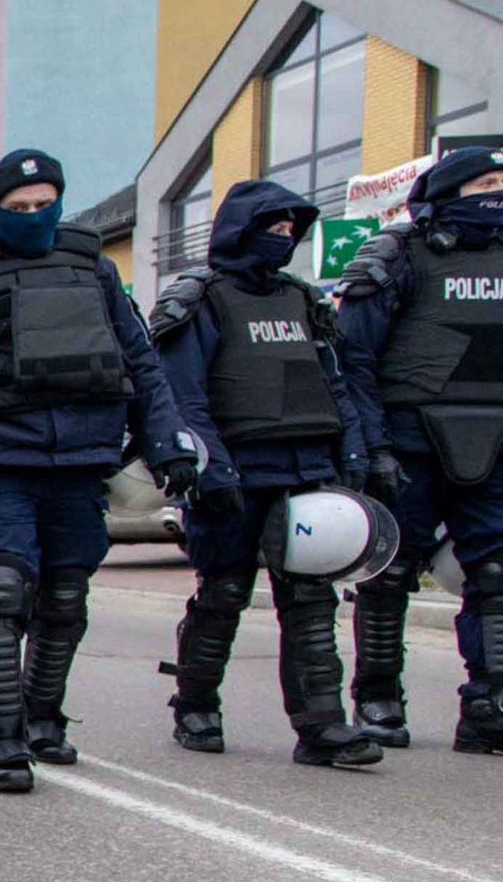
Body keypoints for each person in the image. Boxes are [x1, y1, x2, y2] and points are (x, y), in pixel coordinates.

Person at [0, 150, 198, 791]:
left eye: (45, 205)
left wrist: (168, 443)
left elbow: (142, 365)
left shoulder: (92, 268)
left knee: (65, 600)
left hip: (81, 462)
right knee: (0, 595)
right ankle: (2, 741)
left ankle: (43, 719)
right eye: (19, 208)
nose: (34, 217)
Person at [151, 178, 385, 766]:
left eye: (289, 231)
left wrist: (354, 454)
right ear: (240, 230)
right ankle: (196, 706)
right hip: (231, 474)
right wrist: (211, 468)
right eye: (270, 228)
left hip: (304, 471)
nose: (281, 240)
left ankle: (321, 727)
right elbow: (182, 394)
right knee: (224, 593)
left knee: (310, 599)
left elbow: (335, 384)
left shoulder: (303, 300)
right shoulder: (199, 298)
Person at [335, 146, 503, 754]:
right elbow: (353, 361)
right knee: (389, 572)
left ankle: (490, 705)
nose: (498, 194)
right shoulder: (397, 255)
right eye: (487, 183)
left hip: (495, 443)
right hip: (408, 443)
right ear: (452, 191)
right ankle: (378, 697)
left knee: (496, 575)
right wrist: (369, 448)